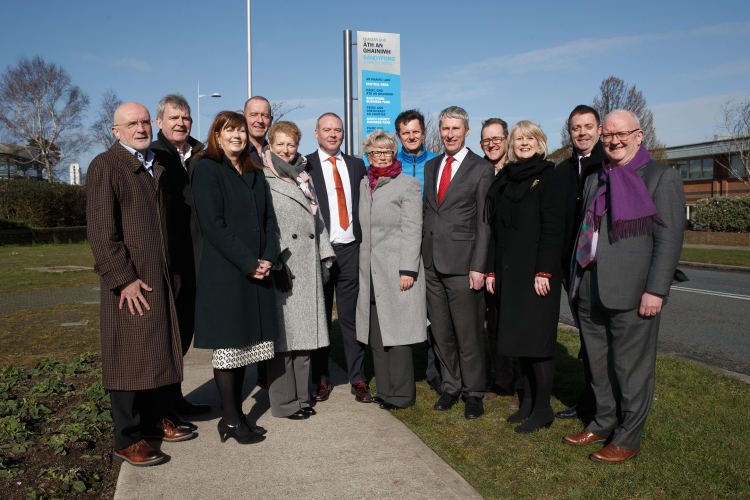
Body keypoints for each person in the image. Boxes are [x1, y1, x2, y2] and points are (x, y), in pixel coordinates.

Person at [562, 110, 685, 463]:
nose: (614, 141)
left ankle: (628, 438)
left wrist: (656, 290)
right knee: (598, 365)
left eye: (622, 134)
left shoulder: (662, 178)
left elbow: (669, 242)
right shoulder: (595, 178)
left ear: (639, 135)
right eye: (608, 136)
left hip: (633, 292)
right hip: (589, 285)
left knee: (631, 368)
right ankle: (602, 422)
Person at [87, 102, 193, 467]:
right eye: (131, 123)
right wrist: (123, 279)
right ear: (115, 130)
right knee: (128, 358)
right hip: (130, 283)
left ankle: (153, 421)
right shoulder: (107, 165)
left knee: (157, 352)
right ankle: (127, 439)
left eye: (145, 121)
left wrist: (173, 272)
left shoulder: (156, 165)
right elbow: (102, 232)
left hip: (159, 277)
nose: (141, 127)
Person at [191, 111, 279, 444]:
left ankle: (237, 416)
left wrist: (268, 257)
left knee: (245, 346)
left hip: (257, 271)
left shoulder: (255, 172)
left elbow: (269, 220)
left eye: (241, 130)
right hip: (228, 273)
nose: (237, 136)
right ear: (216, 136)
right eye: (229, 130)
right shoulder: (208, 170)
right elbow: (213, 226)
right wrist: (248, 261)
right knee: (229, 348)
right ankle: (230, 419)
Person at [485, 120, 567, 434]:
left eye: (530, 137)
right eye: (518, 138)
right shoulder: (505, 178)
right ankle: (529, 403)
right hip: (510, 272)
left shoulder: (548, 177)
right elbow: (496, 230)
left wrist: (544, 270)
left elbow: (553, 229)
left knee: (539, 344)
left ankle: (543, 408)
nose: (524, 142)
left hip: (537, 274)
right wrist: (492, 269)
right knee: (521, 342)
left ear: (540, 142)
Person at [260, 121, 336, 420]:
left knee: (306, 339)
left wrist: (325, 256)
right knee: (285, 341)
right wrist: (274, 259)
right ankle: (283, 403)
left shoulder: (304, 178)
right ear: (270, 144)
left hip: (308, 263)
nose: (286, 150)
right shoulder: (263, 178)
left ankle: (302, 398)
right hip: (284, 266)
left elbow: (317, 222)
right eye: (280, 144)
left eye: (291, 144)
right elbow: (263, 224)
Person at [422, 106, 493, 420]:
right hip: (432, 264)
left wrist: (479, 266)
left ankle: (474, 392)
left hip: (464, 266)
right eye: (445, 129)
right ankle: (451, 386)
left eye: (455, 129)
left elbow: (484, 222)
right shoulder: (431, 165)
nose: (449, 134)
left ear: (466, 131)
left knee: (468, 334)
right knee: (440, 332)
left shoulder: (481, 168)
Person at [149, 94, 211, 428]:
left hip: (198, 261)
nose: (181, 123)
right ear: (160, 122)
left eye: (185, 117)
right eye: (174, 118)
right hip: (170, 263)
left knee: (183, 335)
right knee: (166, 338)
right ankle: (162, 409)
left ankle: (174, 399)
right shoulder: (155, 156)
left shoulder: (199, 154)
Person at [356, 129, 427, 410]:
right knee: (376, 334)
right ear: (368, 155)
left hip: (398, 270)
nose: (381, 157)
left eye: (386, 151)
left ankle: (402, 395)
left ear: (393, 153)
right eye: (375, 152)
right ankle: (385, 391)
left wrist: (408, 269)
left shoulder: (407, 184)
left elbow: (413, 229)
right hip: (369, 272)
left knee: (398, 334)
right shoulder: (364, 184)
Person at [305, 113, 370, 403]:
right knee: (320, 319)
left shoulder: (357, 165)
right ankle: (321, 379)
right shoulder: (304, 164)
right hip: (321, 251)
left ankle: (358, 377)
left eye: (338, 130)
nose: (333, 135)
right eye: (327, 130)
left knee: (351, 318)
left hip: (351, 250)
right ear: (316, 133)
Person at [554, 105, 607, 421]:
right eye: (576, 128)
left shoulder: (609, 164)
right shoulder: (562, 170)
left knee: (602, 340)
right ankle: (590, 400)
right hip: (570, 268)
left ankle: (605, 406)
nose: (583, 132)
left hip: (601, 267)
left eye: (588, 126)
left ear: (599, 130)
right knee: (588, 338)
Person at [394, 109, 442, 396]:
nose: (411, 136)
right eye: (405, 132)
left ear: (424, 133)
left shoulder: (436, 163)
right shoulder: (391, 163)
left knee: (434, 311)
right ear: (399, 136)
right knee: (401, 307)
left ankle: (435, 370)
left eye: (416, 131)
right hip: (399, 246)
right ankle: (399, 370)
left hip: (431, 245)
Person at [478, 118, 522, 407]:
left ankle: (522, 385)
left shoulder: (519, 170)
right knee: (492, 324)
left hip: (514, 259)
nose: (492, 144)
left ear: (507, 139)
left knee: (516, 323)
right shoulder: (479, 170)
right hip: (483, 257)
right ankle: (501, 378)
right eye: (486, 140)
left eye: (497, 138)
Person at [243, 96, 274, 389]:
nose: (259, 120)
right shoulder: (238, 153)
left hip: (272, 243)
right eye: (254, 114)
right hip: (246, 247)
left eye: (265, 115)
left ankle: (268, 376)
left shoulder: (277, 151)